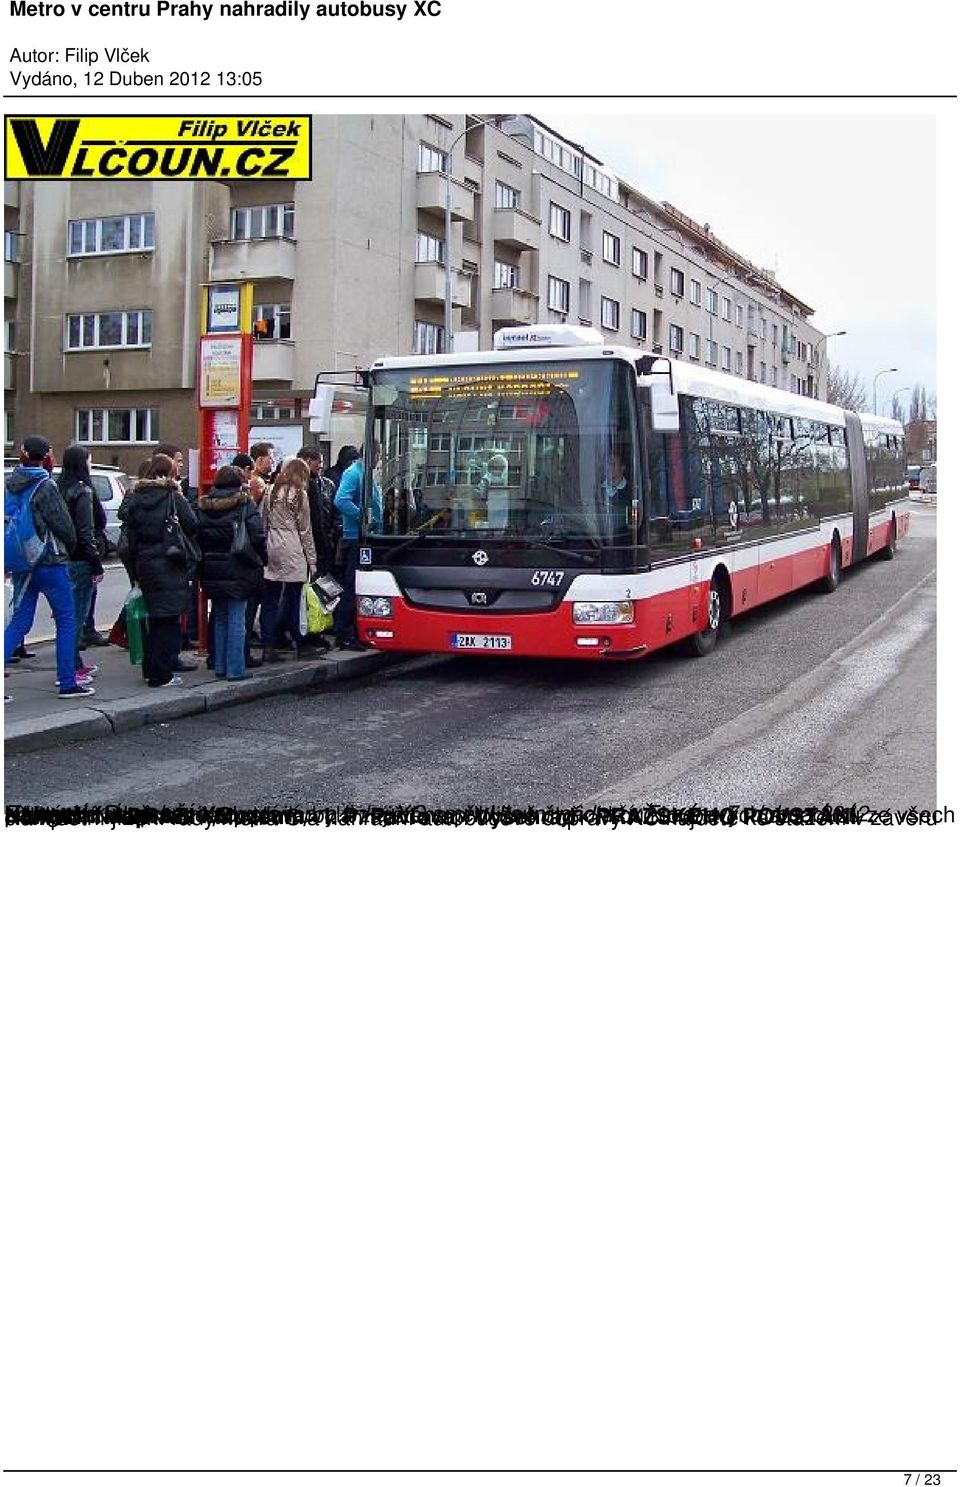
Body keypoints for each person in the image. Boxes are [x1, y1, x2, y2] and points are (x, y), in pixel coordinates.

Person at [4, 435, 89, 698]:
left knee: (19, 622)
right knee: (66, 620)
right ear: (46, 457)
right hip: (49, 561)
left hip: (21, 561)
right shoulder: (45, 484)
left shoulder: (10, 483)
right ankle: (67, 682)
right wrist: (72, 545)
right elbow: (64, 525)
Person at [117, 453, 200, 688]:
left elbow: (130, 538)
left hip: (145, 564)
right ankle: (162, 673)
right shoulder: (172, 496)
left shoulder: (136, 498)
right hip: (170, 562)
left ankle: (150, 669)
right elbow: (192, 524)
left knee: (154, 619)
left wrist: (135, 572)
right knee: (169, 621)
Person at [197, 465, 267, 681]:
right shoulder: (245, 504)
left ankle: (220, 665)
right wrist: (262, 559)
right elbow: (256, 535)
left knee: (219, 618)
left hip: (211, 565)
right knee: (237, 619)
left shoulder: (205, 505)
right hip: (239, 565)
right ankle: (235, 669)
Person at [259, 457, 316, 662]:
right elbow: (305, 530)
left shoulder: (270, 491)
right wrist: (312, 559)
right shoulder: (300, 495)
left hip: (272, 545)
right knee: (295, 599)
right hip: (292, 546)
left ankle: (268, 646)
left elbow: (262, 521)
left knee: (270, 600)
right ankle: (301, 644)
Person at [57, 443, 104, 687]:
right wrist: (96, 564)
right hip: (80, 560)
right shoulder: (83, 491)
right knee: (76, 616)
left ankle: (72, 663)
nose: (90, 463)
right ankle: (69, 668)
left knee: (66, 615)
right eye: (89, 459)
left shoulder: (58, 488)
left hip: (61, 558)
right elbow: (86, 531)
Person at [333, 444, 381, 649]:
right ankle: (345, 633)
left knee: (361, 587)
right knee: (353, 585)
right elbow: (341, 500)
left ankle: (355, 631)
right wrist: (363, 518)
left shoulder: (366, 473)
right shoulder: (353, 473)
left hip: (367, 536)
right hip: (356, 538)